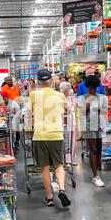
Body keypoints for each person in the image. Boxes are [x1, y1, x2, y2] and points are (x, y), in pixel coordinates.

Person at [28, 69, 71, 208]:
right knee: (59, 165)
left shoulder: (33, 94)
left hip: (40, 135)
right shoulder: (59, 95)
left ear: (38, 82)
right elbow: (69, 110)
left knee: (45, 168)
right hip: (56, 134)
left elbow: (28, 112)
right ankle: (62, 189)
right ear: (51, 81)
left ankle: (50, 197)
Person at [78, 76, 108, 187]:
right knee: (93, 149)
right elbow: (82, 112)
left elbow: (105, 111)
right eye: (91, 88)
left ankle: (97, 171)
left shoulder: (102, 97)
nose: (93, 91)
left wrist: (99, 108)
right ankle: (95, 176)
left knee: (99, 149)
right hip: (89, 126)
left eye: (94, 88)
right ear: (87, 87)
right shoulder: (82, 98)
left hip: (100, 125)